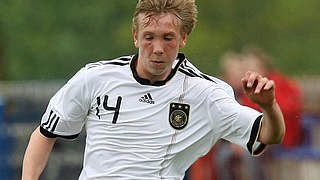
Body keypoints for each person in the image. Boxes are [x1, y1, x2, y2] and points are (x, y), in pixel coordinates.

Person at [22, 1, 285, 179]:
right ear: (136, 37)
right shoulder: (95, 78)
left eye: (167, 37)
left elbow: (269, 135)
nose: (157, 47)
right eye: (149, 37)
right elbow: (44, 134)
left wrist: (268, 105)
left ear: (182, 38)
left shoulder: (205, 94)